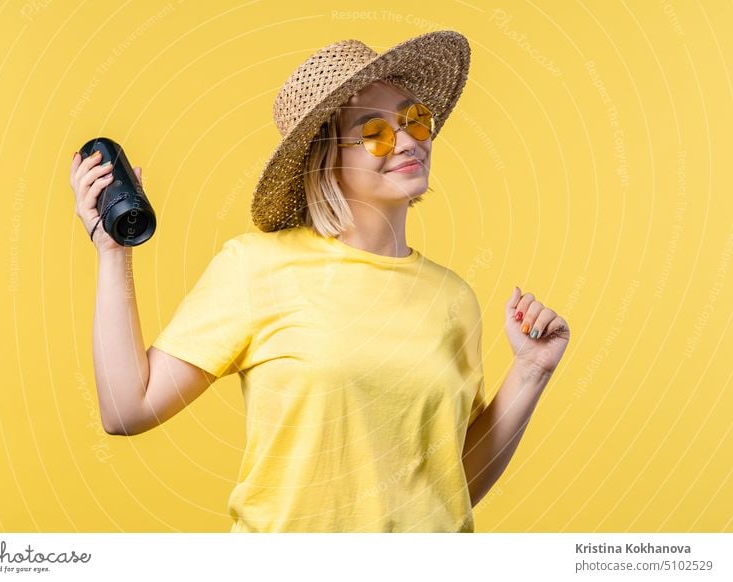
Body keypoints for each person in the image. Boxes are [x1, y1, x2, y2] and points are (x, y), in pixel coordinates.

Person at [68, 30, 570, 533]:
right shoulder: (256, 267)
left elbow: (452, 483)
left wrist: (531, 371)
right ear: (327, 157)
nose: (409, 140)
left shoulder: (453, 297)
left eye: (415, 119)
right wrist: (113, 252)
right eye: (375, 130)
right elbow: (126, 409)